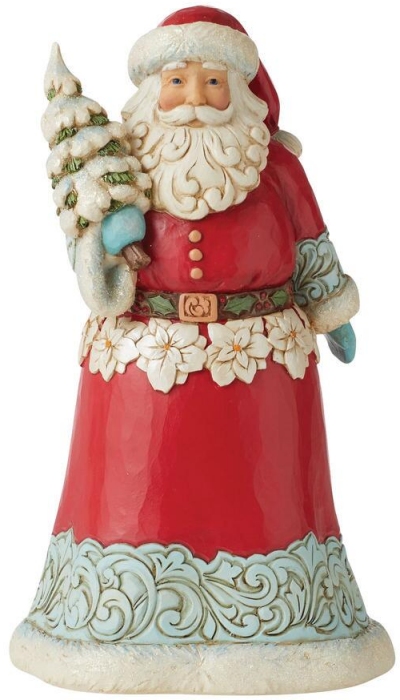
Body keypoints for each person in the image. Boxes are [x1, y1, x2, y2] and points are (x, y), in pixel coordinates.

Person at [10, 6, 394, 694]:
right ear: (152, 90)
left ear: (240, 91)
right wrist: (102, 247)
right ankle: (120, 616)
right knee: (131, 495)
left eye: (212, 82)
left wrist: (332, 308)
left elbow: (311, 243)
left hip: (259, 365)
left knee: (264, 493)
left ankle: (283, 622)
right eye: (178, 81)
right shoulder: (125, 165)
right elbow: (90, 249)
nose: (193, 98)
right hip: (144, 365)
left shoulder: (276, 166)